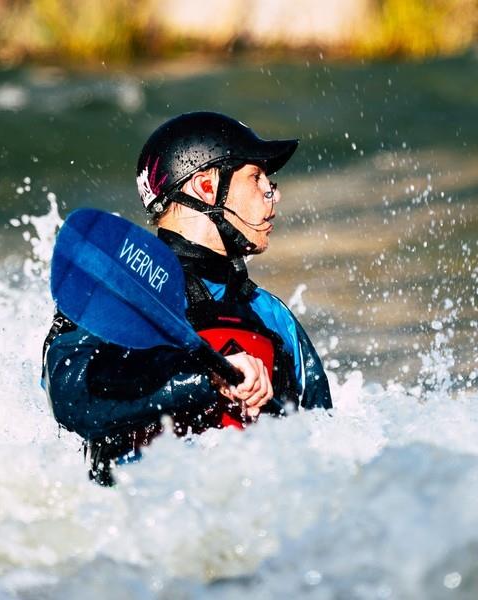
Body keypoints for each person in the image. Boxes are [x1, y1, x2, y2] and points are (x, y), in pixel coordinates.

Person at [42, 112, 332, 485]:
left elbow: (325, 443)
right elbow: (69, 399)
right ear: (206, 187)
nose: (272, 194)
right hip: (133, 522)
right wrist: (204, 382)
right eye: (256, 178)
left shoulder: (273, 316)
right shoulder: (117, 288)